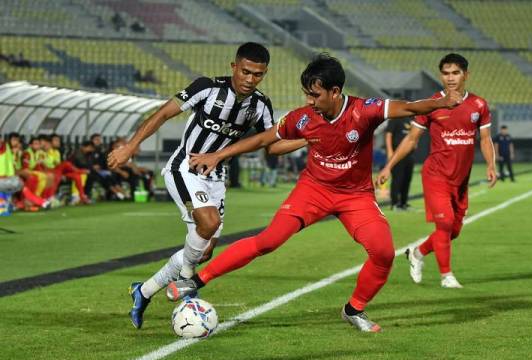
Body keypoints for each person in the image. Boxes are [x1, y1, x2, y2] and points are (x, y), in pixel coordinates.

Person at [166, 54, 462, 332]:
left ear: (335, 91)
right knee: (269, 240)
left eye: (315, 94)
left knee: (383, 253)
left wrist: (442, 103)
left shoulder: (364, 110)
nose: (309, 101)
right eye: (306, 94)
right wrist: (219, 155)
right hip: (314, 190)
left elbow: (409, 107)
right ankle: (197, 281)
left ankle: (354, 309)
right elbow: (263, 139)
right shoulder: (303, 118)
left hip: (355, 197)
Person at [107, 42, 304, 329]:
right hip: (184, 168)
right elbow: (163, 113)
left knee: (205, 249)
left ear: (265, 74)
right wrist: (130, 147)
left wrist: (309, 139)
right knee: (208, 224)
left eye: (257, 75)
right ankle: (187, 281)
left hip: (215, 178)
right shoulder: (206, 88)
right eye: (246, 72)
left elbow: (270, 148)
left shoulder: (260, 105)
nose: (250, 79)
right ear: (234, 66)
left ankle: (144, 291)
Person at [377, 53, 497, 289]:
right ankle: (446, 276)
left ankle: (417, 253)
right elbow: (411, 140)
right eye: (446, 73)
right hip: (436, 175)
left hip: (460, 179)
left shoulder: (479, 105)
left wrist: (491, 164)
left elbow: (485, 138)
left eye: (455, 73)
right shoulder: (430, 104)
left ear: (466, 75)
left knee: (453, 231)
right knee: (444, 225)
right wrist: (389, 166)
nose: (450, 78)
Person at [385, 121, 415, 210]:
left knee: (407, 179)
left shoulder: (412, 118)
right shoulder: (396, 118)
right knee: (397, 179)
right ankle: (394, 204)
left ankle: (404, 203)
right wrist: (390, 152)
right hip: (396, 154)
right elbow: (388, 135)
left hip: (409, 154)